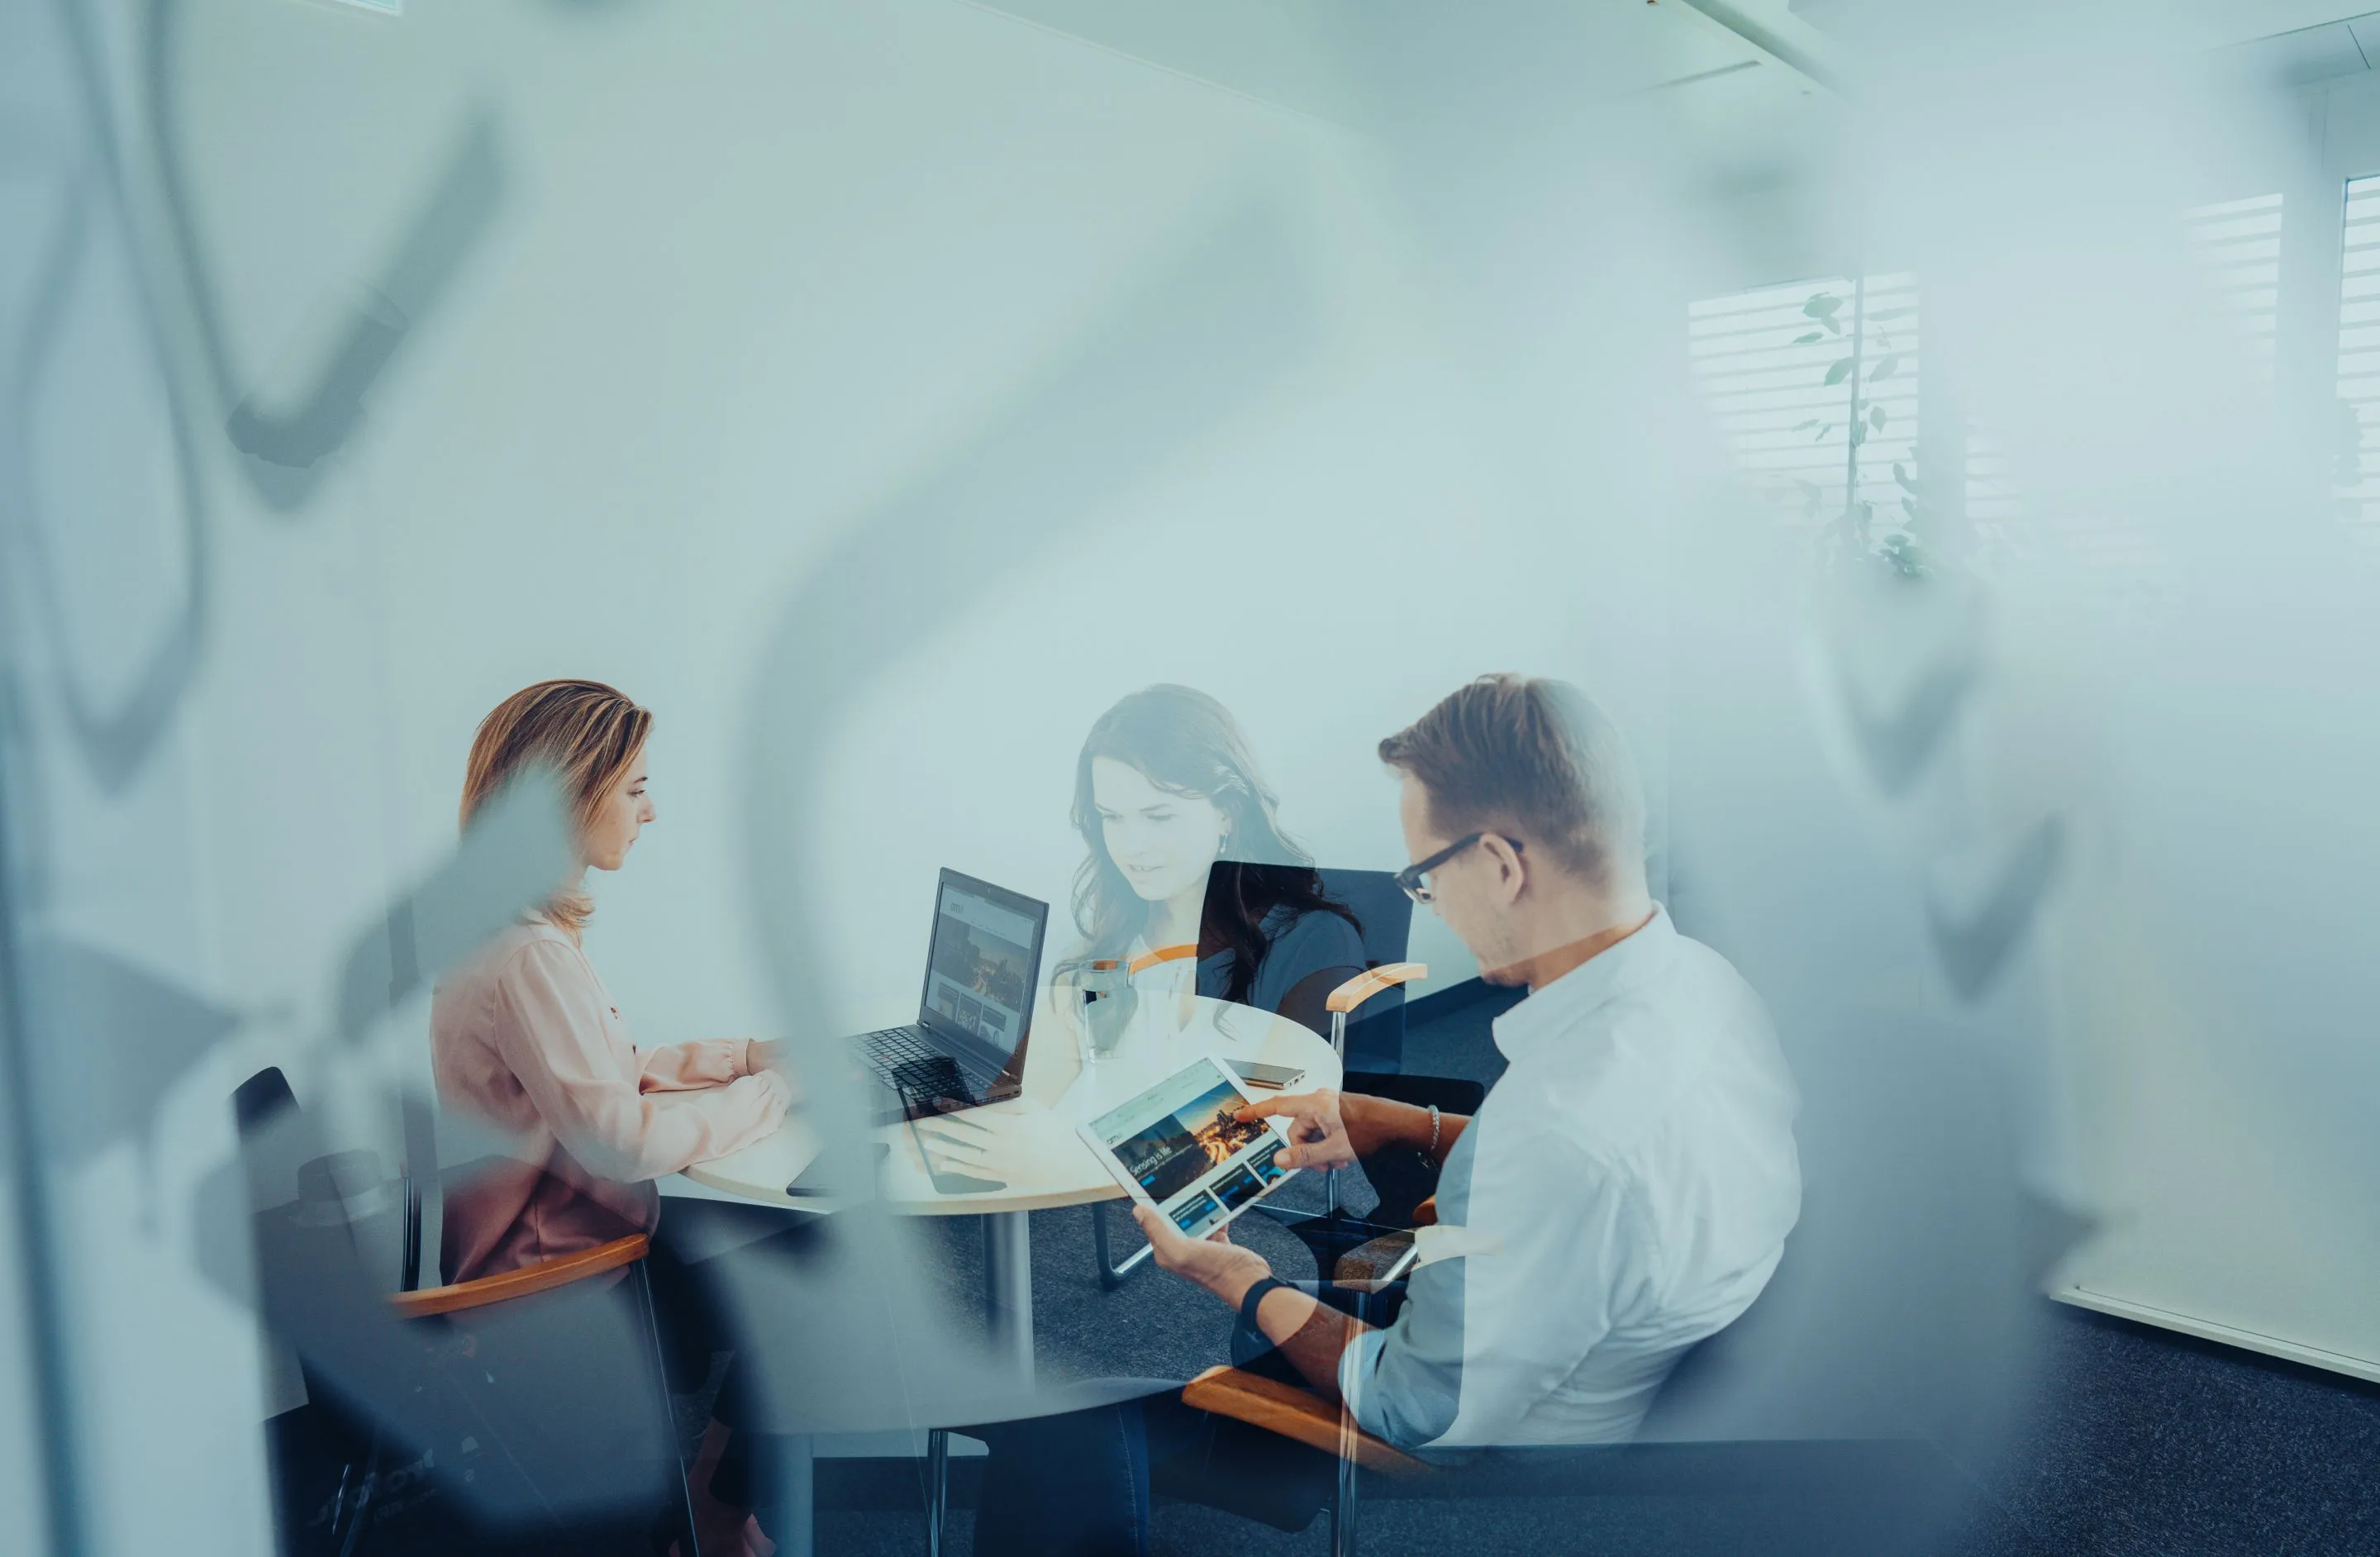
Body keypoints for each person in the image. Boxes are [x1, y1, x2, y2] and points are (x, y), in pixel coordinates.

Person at [971, 674, 1802, 1555]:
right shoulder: (1709, 988)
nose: (1425, 904)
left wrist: (1239, 1280)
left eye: (1422, 877)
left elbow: (1407, 1408)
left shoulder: (1550, 1130)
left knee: (1052, 1418)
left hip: (1511, 1423)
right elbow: (1605, 1176)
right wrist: (1402, 1122)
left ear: (1501, 866)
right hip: (1641, 1335)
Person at [431, 679, 794, 1557]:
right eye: (634, 788)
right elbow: (620, 1141)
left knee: (795, 1255)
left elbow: (606, 1076)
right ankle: (711, 1507)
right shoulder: (527, 957)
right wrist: (778, 1098)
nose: (651, 810)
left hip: (572, 1254)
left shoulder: (515, 931)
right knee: (809, 1279)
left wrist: (745, 1057)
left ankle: (712, 1500)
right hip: (555, 1295)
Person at [1065, 683, 1367, 1039]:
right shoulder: (1115, 931)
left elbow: (1298, 1095)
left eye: (1159, 817)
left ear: (1227, 812)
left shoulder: (1313, 942)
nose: (1131, 847)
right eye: (1111, 817)